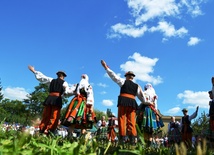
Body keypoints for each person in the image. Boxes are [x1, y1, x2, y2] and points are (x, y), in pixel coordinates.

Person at [101, 60, 145, 147]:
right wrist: (148, 103)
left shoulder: (123, 81)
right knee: (132, 121)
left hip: (123, 102)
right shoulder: (137, 86)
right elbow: (142, 98)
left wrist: (106, 68)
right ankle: (132, 140)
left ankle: (122, 139)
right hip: (132, 103)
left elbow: (114, 76)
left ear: (126, 76)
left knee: (122, 119)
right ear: (132, 77)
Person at [28, 65, 69, 134]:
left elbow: (42, 78)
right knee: (54, 116)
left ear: (58, 75)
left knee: (46, 115)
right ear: (63, 76)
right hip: (57, 100)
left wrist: (34, 71)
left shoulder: (51, 80)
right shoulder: (64, 83)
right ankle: (49, 131)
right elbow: (67, 91)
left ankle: (42, 129)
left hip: (49, 99)